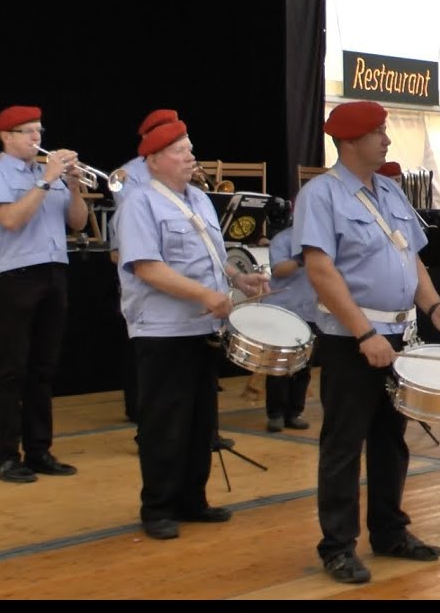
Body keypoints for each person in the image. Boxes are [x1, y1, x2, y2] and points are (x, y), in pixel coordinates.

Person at [294, 101, 440, 583]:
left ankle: (390, 530)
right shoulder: (321, 195)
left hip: (399, 332)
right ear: (349, 142)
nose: (387, 140)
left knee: (392, 440)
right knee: (345, 443)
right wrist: (364, 333)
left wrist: (434, 306)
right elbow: (321, 271)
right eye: (378, 133)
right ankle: (338, 545)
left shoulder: (388, 190)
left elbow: (411, 259)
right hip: (353, 337)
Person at [115, 114, 268, 539]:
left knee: (202, 419)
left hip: (202, 327)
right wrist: (204, 296)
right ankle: (158, 507)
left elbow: (212, 257)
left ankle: (192, 499)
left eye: (189, 150)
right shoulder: (139, 202)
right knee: (165, 419)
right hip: (162, 329)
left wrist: (238, 279)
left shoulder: (199, 199)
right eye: (181, 151)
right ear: (156, 159)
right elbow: (146, 267)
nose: (191, 158)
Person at [0, 105, 89, 484]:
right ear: (6, 137)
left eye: (39, 130)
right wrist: (45, 181)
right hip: (16, 276)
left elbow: (77, 222)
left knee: (44, 368)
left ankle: (40, 451)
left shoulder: (51, 175)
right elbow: (9, 219)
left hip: (55, 272)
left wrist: (71, 184)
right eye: (27, 132)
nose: (36, 138)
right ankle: (7, 456)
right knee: (13, 369)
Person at [109, 108, 175, 424]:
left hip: (175, 263)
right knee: (140, 340)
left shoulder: (181, 169)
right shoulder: (128, 175)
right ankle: (138, 409)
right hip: (142, 260)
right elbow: (133, 219)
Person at [263, 200, 316, 432]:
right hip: (283, 309)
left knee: (303, 367)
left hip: (310, 310)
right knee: (279, 365)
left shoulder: (323, 240)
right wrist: (300, 259)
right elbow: (278, 270)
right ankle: (275, 414)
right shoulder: (283, 239)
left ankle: (295, 411)